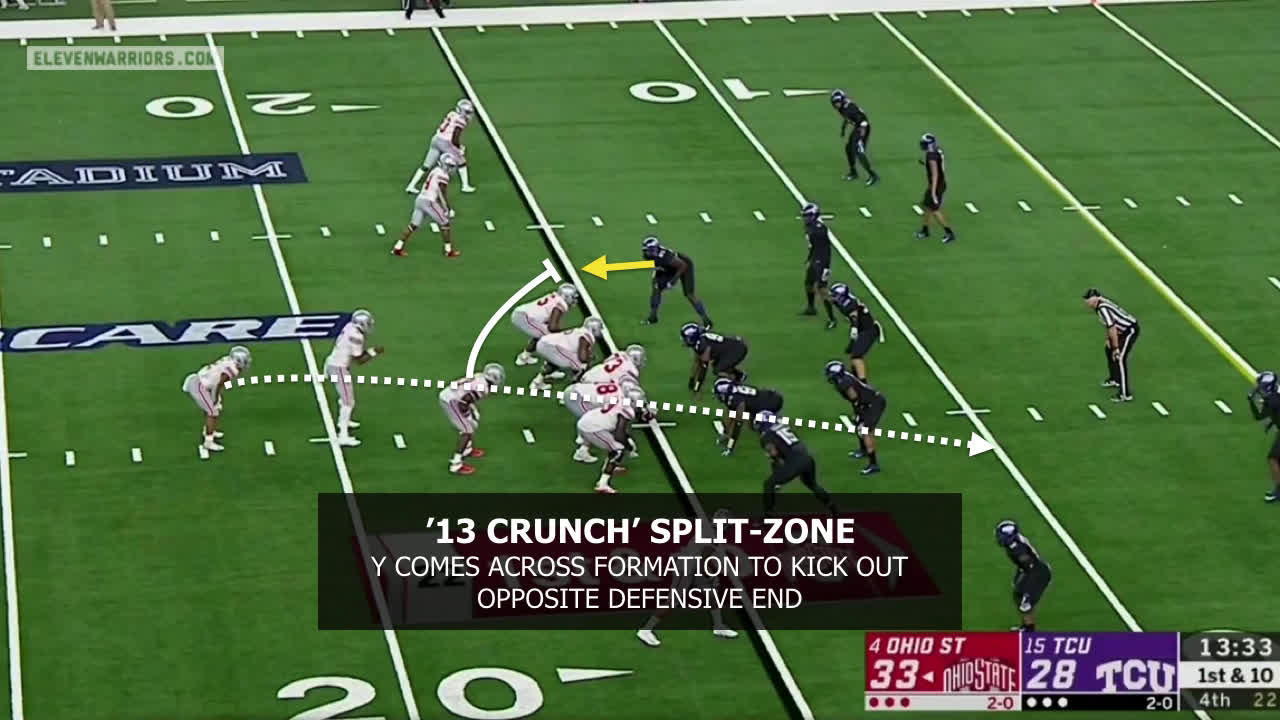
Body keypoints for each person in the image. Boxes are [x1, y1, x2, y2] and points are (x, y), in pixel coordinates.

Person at [323, 309, 383, 447]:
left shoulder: (349, 326)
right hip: (339, 368)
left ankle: (344, 421)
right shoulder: (356, 336)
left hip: (334, 363)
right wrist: (374, 352)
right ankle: (343, 435)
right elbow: (359, 360)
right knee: (348, 402)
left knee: (346, 398)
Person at [182, 346, 251, 452]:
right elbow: (218, 384)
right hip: (199, 386)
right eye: (244, 361)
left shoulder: (228, 360)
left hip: (201, 381)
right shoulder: (232, 370)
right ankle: (208, 442)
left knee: (216, 408)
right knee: (213, 412)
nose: (246, 363)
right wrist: (214, 398)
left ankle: (209, 430)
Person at [641, 236, 713, 327]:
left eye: (649, 250)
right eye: (646, 250)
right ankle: (653, 317)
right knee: (656, 288)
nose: (647, 252)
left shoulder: (666, 257)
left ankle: (706, 320)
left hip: (684, 266)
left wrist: (673, 281)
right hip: (668, 268)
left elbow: (682, 265)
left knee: (689, 294)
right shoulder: (650, 256)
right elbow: (658, 264)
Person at [1083, 288, 1139, 402]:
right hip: (1121, 330)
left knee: (1120, 358)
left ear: (1095, 299)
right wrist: (1110, 341)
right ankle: (1115, 379)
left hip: (1129, 330)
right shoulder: (1100, 305)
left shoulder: (1102, 308)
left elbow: (1112, 327)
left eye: (1089, 299)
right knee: (1108, 349)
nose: (1087, 302)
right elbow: (1110, 326)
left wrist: (1116, 347)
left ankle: (1125, 394)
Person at [995, 520, 1052, 632]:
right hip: (1029, 571)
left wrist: (1028, 587)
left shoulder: (1018, 548)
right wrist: (1019, 575)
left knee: (1026, 604)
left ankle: (1029, 631)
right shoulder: (1013, 544)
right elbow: (1024, 566)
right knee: (1018, 594)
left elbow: (1031, 566)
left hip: (1038, 573)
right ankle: (1027, 626)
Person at [800, 203, 837, 328]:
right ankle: (811, 308)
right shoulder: (811, 227)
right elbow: (814, 247)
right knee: (808, 283)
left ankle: (832, 318)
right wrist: (810, 258)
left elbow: (824, 249)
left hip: (822, 262)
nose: (805, 218)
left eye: (807, 216)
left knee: (822, 289)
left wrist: (825, 267)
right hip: (815, 259)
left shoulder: (819, 229)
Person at [830, 89, 877, 185]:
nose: (836, 105)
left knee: (859, 151)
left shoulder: (850, 108)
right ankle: (853, 172)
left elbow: (863, 120)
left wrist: (862, 135)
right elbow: (847, 118)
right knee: (848, 148)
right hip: (857, 127)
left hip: (863, 128)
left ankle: (873, 175)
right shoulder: (842, 108)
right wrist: (843, 129)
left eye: (837, 102)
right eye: (835, 103)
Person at [1247, 371, 1280, 503]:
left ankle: (1279, 491)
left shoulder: (1272, 400)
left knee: (1273, 458)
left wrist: (1251, 402)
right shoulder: (1275, 397)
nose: (1260, 390)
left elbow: (1259, 416)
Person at [914, 133, 954, 244]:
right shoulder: (937, 151)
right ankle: (925, 230)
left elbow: (935, 174)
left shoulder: (931, 157)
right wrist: (925, 164)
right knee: (927, 206)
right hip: (939, 184)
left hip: (936, 186)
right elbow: (940, 167)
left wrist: (933, 192)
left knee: (935, 210)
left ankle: (949, 233)